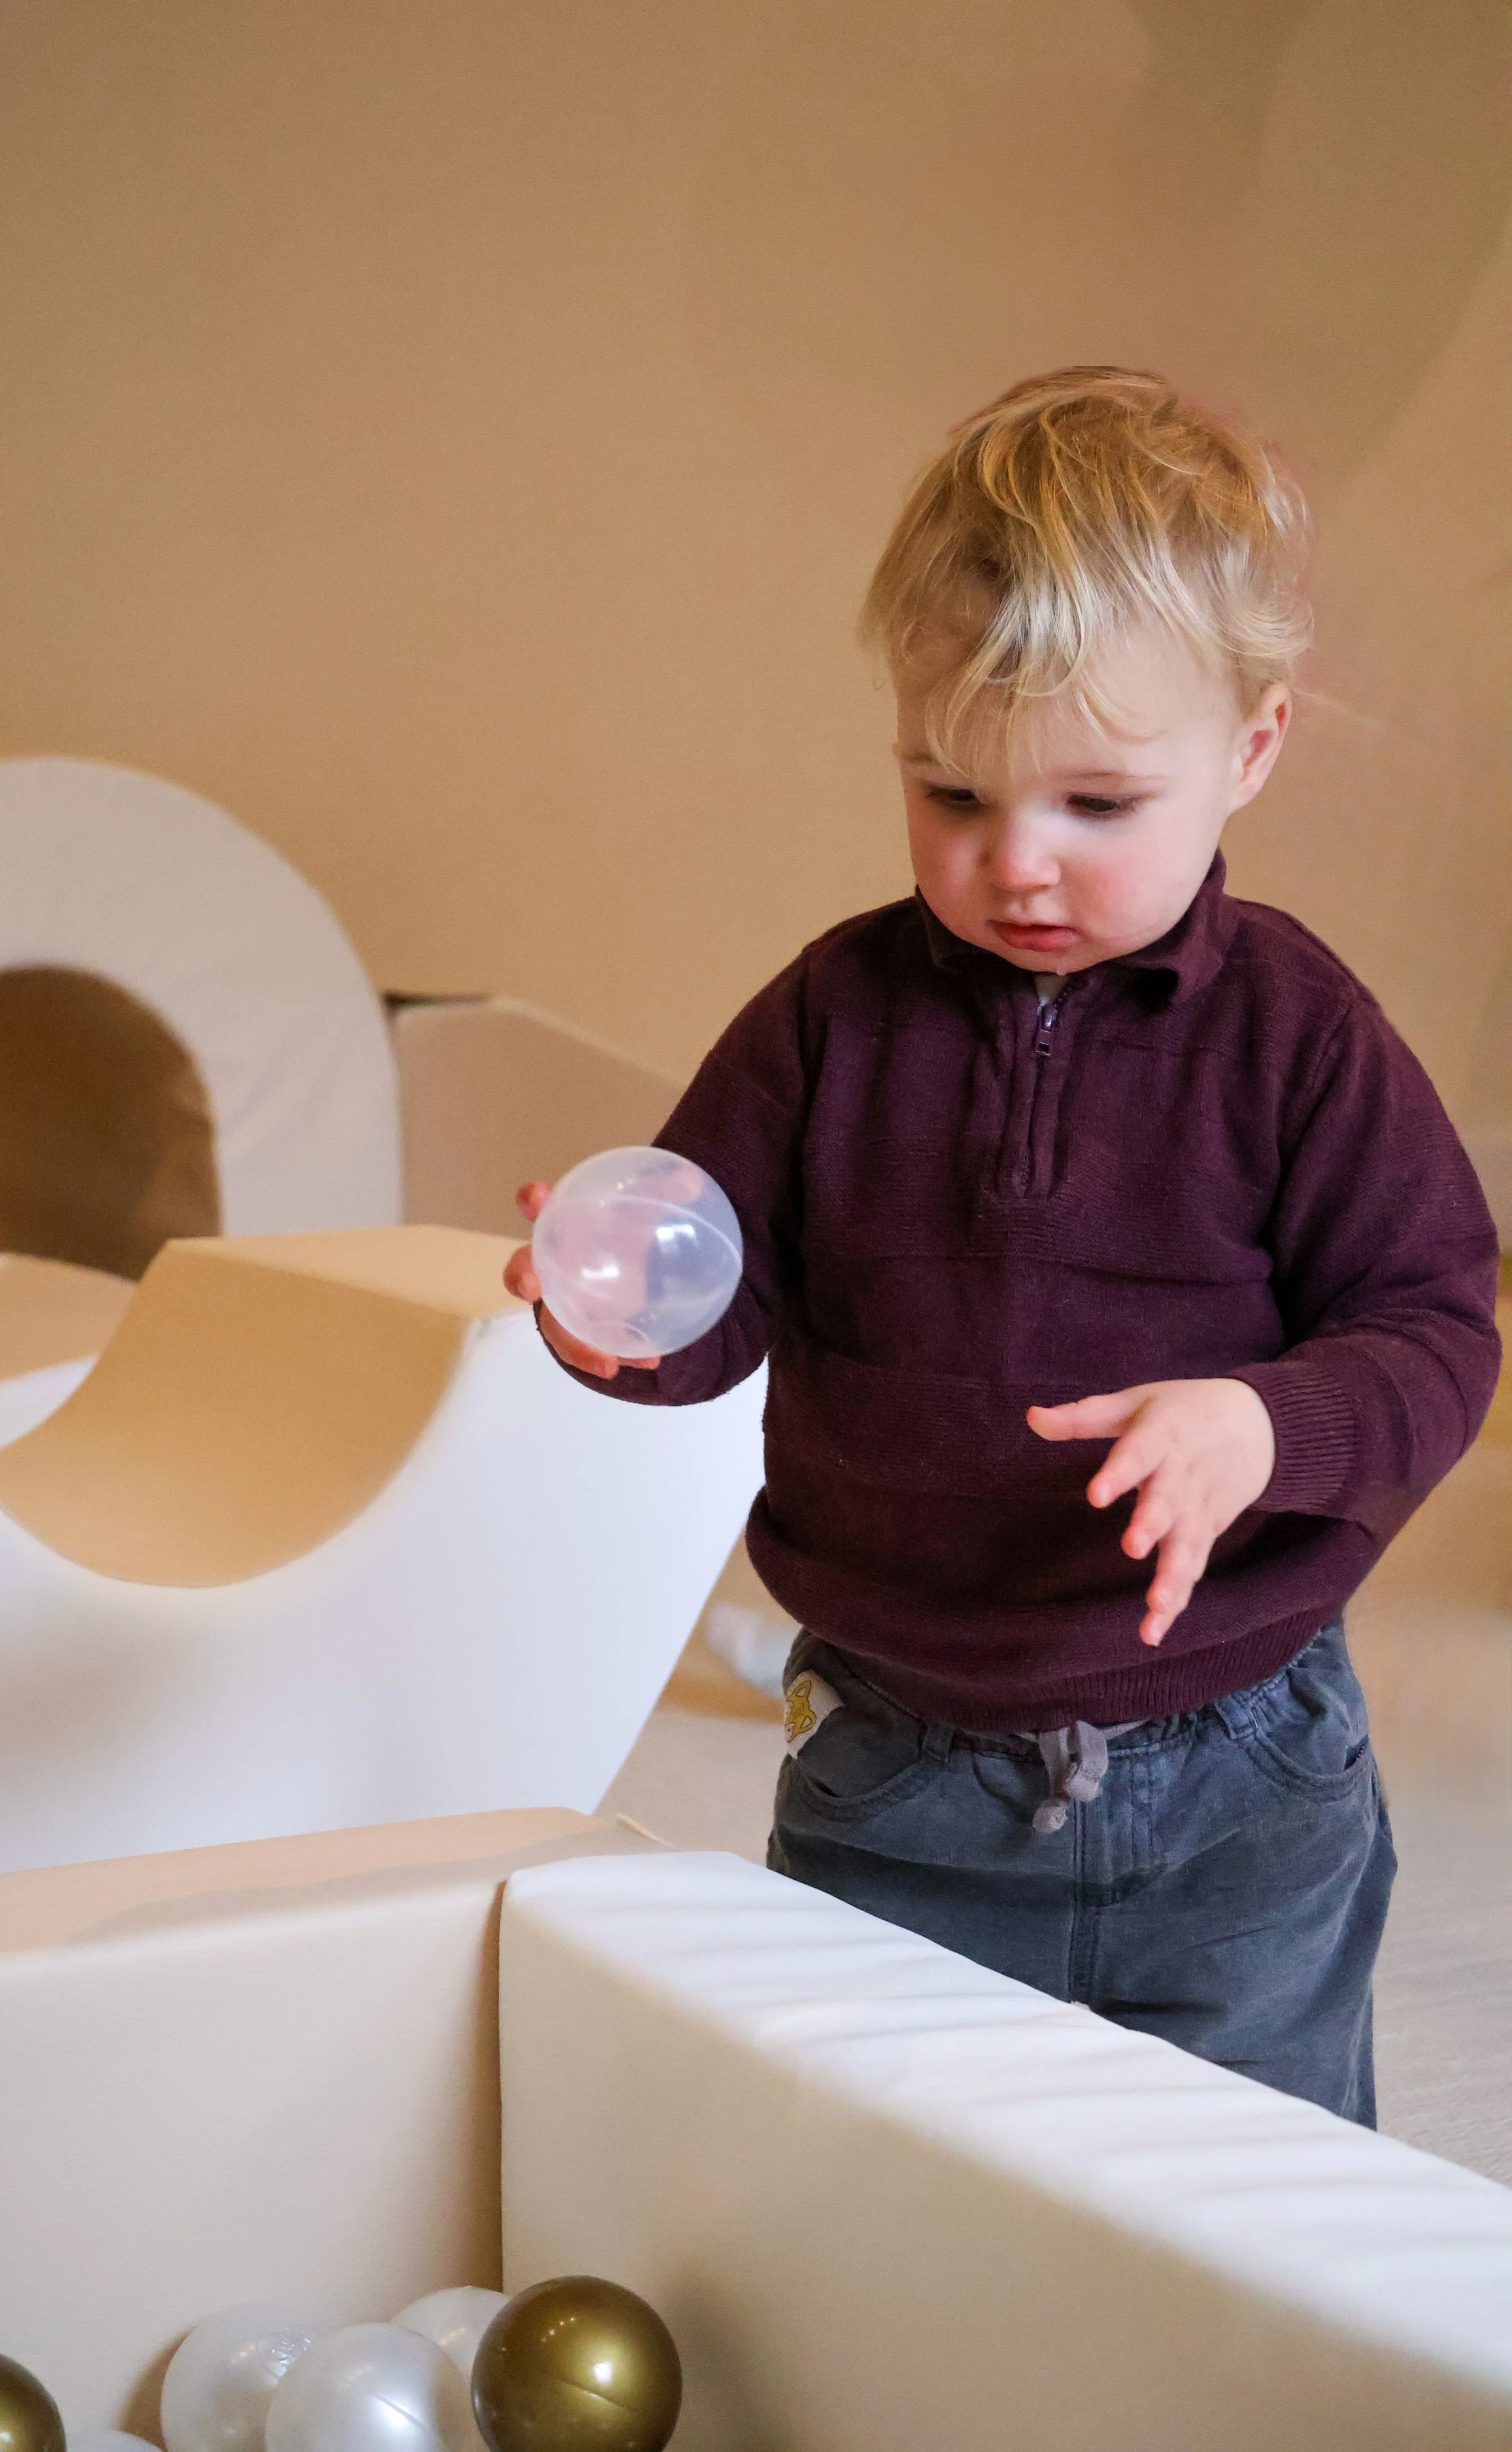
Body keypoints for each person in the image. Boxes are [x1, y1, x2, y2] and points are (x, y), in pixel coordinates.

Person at [503, 367, 1501, 2125]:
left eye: (1094, 806)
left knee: (1258, 2189)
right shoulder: (831, 1014)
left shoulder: (1295, 1036)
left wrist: (1266, 1425)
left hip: (1236, 1757)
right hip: (897, 1756)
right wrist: (621, 1315)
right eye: (949, 793)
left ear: (1246, 751)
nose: (1013, 864)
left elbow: (1430, 1320)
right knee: (886, 2152)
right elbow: (726, 1287)